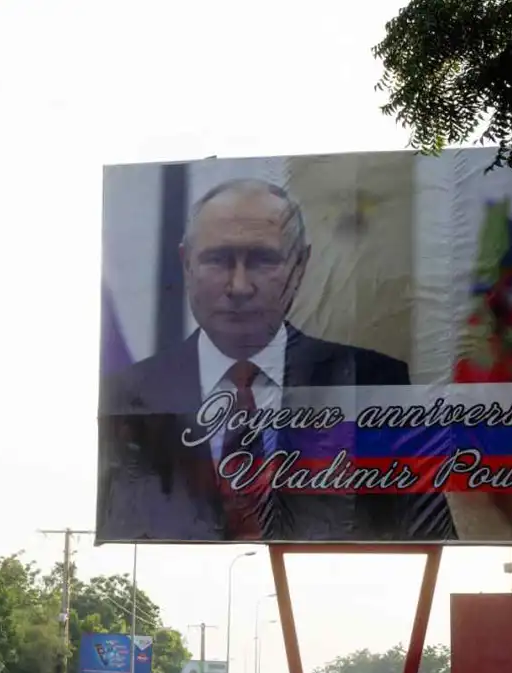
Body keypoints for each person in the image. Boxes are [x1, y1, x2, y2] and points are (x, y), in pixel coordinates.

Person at [98, 177, 455, 543]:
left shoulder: (373, 382)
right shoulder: (129, 396)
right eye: (218, 260)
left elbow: (425, 528)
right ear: (186, 263)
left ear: (300, 265)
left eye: (262, 260)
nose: (239, 286)